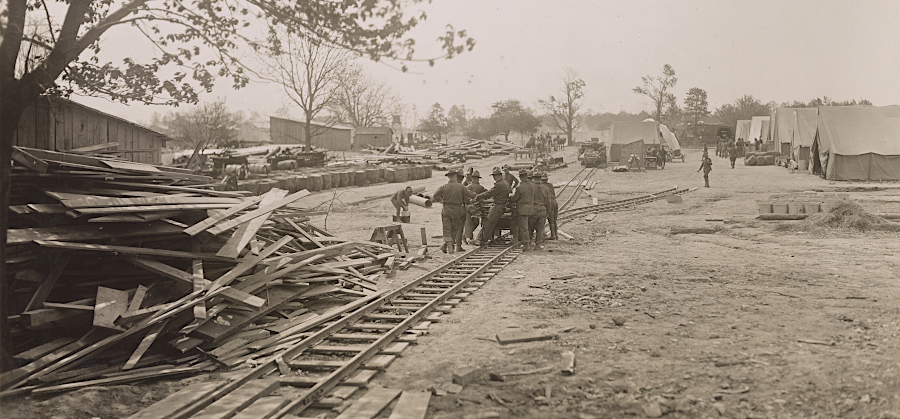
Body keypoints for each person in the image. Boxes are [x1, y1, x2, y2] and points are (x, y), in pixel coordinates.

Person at [433, 169, 470, 253]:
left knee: (447, 228)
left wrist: (441, 200)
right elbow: (467, 197)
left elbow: (435, 195)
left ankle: (447, 246)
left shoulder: (444, 187)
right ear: (455, 176)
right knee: (455, 228)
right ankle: (449, 246)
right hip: (457, 210)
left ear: (449, 177)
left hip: (446, 208)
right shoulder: (461, 187)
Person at [475, 167, 511, 246]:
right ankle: (481, 240)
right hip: (501, 206)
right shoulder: (505, 183)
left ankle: (482, 241)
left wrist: (478, 196)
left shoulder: (499, 185)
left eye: (494, 176)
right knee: (489, 223)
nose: (494, 178)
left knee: (488, 224)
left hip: (497, 207)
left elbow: (490, 193)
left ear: (498, 175)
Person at [508, 169, 535, 250]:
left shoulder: (520, 187)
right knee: (527, 226)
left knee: (523, 227)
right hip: (530, 208)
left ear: (520, 177)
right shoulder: (531, 185)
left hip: (522, 209)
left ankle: (526, 244)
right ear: (526, 176)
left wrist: (510, 198)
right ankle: (527, 241)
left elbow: (515, 199)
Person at [464, 171, 487, 244]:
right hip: (475, 209)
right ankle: (466, 236)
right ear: (477, 179)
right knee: (475, 222)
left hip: (466, 207)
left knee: (468, 223)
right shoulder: (480, 187)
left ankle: (467, 236)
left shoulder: (466, 187)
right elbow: (486, 195)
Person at [529, 172, 548, 249]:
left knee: (530, 228)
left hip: (532, 210)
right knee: (540, 228)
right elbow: (548, 201)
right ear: (540, 178)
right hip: (542, 210)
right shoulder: (545, 188)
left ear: (533, 178)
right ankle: (537, 245)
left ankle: (530, 243)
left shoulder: (530, 187)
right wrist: (548, 211)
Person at [540, 173, 559, 240]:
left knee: (550, 219)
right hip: (554, 202)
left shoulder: (542, 186)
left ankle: (552, 235)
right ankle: (556, 235)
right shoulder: (550, 185)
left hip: (549, 202)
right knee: (554, 220)